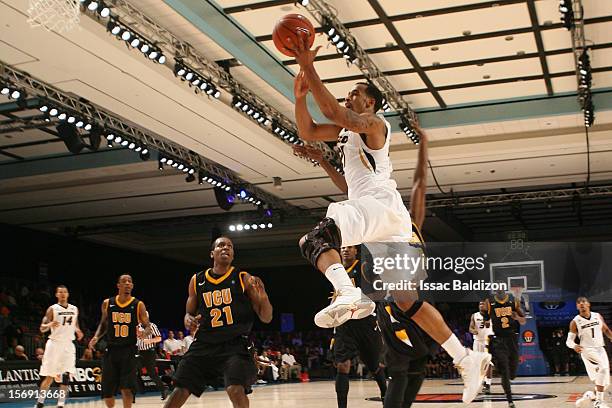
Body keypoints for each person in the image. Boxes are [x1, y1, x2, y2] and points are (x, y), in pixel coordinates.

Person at [290, 32, 490, 404]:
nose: (349, 95)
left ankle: (348, 292)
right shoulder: (349, 136)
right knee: (405, 300)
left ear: (371, 101)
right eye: (348, 92)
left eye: (355, 92)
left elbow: (334, 113)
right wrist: (300, 96)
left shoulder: (375, 124)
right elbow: (309, 129)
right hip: (385, 217)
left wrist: (308, 67)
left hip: (379, 207)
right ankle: (466, 358)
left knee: (314, 241)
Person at [163, 236, 273, 408]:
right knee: (180, 390)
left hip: (235, 345)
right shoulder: (197, 280)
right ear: (212, 253)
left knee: (235, 390)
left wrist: (264, 297)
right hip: (204, 344)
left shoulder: (243, 277)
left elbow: (266, 317)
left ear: (233, 254)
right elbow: (188, 314)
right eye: (221, 245)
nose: (226, 248)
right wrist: (188, 319)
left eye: (230, 246)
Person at [328, 245, 387, 407]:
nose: (345, 250)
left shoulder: (365, 267)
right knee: (342, 365)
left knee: (374, 366)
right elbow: (335, 297)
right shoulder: (336, 272)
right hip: (344, 324)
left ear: (356, 251)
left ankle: (385, 394)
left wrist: (360, 299)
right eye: (343, 248)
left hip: (365, 322)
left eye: (349, 248)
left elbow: (381, 292)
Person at [88, 275, 152, 408]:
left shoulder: (138, 304)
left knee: (126, 388)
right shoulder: (107, 303)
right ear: (118, 285)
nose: (127, 284)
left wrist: (143, 333)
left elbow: (148, 327)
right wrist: (96, 336)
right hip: (110, 350)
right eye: (124, 281)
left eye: (130, 282)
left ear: (132, 286)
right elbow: (104, 324)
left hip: (129, 350)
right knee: (107, 391)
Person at [35, 285, 83, 408]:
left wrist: (78, 331)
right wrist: (50, 323)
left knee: (66, 376)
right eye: (60, 292)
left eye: (64, 292)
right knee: (50, 376)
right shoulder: (52, 309)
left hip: (68, 345)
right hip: (54, 344)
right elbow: (41, 328)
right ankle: (40, 402)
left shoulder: (74, 309)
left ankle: (60, 404)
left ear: (68, 294)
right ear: (56, 294)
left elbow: (75, 324)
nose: (62, 294)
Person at [483, 290, 526, 408]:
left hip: (512, 339)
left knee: (512, 373)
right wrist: (486, 326)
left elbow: (523, 321)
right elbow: (486, 321)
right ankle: (510, 400)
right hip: (499, 340)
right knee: (505, 372)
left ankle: (503, 372)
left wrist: (517, 317)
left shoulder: (513, 301)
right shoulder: (489, 302)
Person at [569, 297, 612, 408]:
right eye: (579, 303)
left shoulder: (597, 316)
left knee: (605, 383)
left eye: (584, 302)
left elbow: (606, 330)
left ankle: (590, 395)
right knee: (602, 368)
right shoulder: (575, 321)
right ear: (577, 307)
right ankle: (599, 402)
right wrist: (574, 346)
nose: (581, 304)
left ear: (588, 304)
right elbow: (568, 341)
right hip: (587, 349)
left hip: (600, 348)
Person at [136, 312, 168, 400]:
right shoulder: (137, 326)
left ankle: (163, 388)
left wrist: (150, 341)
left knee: (151, 373)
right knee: (134, 370)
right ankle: (140, 390)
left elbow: (159, 338)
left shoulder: (152, 325)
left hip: (149, 352)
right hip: (139, 352)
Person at [469, 301, 494, 394]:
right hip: (477, 342)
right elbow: (470, 328)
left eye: (483, 304)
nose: (481, 305)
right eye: (480, 304)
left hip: (487, 341)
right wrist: (473, 331)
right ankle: (483, 382)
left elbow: (488, 326)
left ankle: (488, 384)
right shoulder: (474, 315)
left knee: (488, 363)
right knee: (478, 364)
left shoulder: (491, 315)